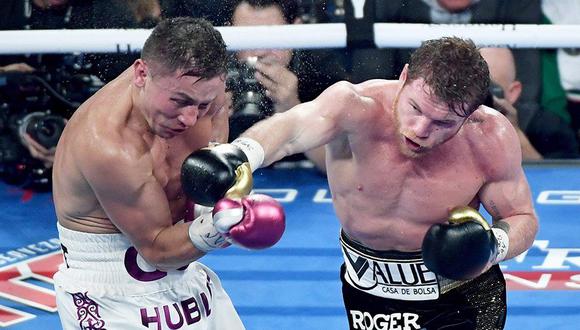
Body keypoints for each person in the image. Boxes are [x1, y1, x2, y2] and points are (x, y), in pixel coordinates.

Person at [221, 37, 539, 329]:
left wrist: (492, 247)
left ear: (469, 115)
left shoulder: (489, 136)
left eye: (443, 123)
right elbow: (289, 130)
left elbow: (521, 218)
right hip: (367, 290)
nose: (420, 129)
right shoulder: (355, 105)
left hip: (461, 298)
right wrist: (239, 154)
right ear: (403, 78)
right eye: (415, 107)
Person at [52, 17, 284, 329]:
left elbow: (203, 177)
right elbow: (157, 249)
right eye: (180, 101)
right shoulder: (108, 144)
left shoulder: (204, 92)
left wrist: (222, 201)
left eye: (202, 104)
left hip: (186, 281)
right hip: (111, 296)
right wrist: (220, 225)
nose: (190, 118)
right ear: (141, 73)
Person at [227, 0, 347, 170]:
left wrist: (291, 107)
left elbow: (339, 165)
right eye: (247, 38)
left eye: (272, 37)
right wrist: (214, 118)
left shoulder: (320, 68)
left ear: (295, 30)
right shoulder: (214, 73)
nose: (259, 51)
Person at [480, 47, 579, 159]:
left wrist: (514, 132)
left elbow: (561, 175)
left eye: (489, 90)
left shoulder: (546, 128)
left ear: (513, 92)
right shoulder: (457, 120)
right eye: (474, 88)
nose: (481, 99)